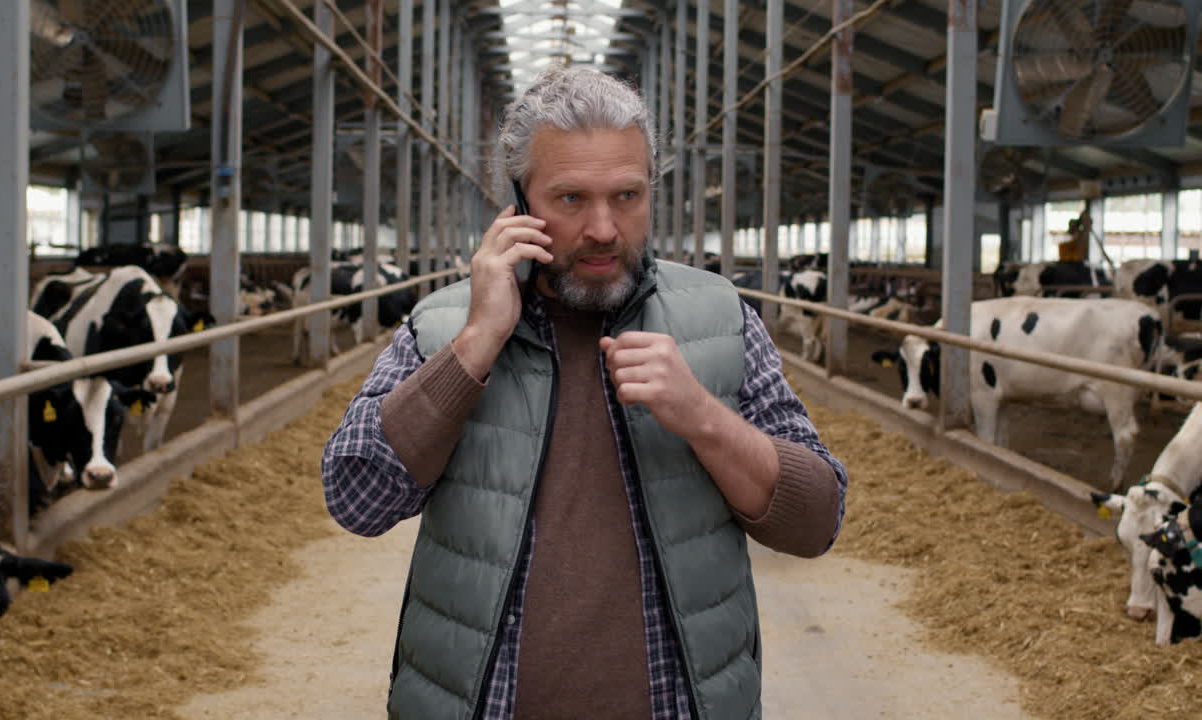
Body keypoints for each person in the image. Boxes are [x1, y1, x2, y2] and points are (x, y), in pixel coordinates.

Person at [322, 66, 848, 720]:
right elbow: (356, 498)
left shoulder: (718, 317)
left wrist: (705, 418)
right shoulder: (443, 326)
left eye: (627, 196)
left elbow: (817, 521)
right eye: (572, 199)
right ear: (517, 203)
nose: (604, 228)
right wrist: (479, 340)